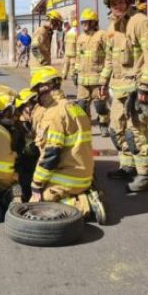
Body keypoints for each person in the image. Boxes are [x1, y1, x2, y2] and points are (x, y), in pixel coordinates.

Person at [101, 0, 148, 192]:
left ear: (127, 0)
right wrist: (103, 81)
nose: (117, 5)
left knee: (136, 132)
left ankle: (145, 176)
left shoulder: (140, 22)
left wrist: (144, 87)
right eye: (113, 3)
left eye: (120, 1)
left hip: (135, 87)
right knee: (116, 129)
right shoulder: (112, 26)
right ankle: (127, 166)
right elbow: (109, 58)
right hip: (118, 88)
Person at [28, 66, 106, 223]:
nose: (37, 97)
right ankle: (86, 193)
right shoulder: (74, 107)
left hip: (70, 177)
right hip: (85, 172)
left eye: (37, 91)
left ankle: (83, 204)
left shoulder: (54, 113)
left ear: (45, 88)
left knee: (41, 200)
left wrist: (36, 184)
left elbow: (51, 154)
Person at [74, 8, 110, 137]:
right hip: (83, 80)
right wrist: (75, 71)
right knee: (82, 106)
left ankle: (104, 125)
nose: (83, 25)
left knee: (100, 106)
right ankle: (85, 129)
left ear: (94, 23)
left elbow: (109, 57)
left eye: (86, 22)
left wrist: (106, 77)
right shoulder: (80, 38)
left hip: (98, 79)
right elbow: (78, 56)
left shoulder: (102, 35)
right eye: (82, 22)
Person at [61, 20, 79, 89]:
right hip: (73, 53)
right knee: (73, 68)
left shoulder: (68, 33)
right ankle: (75, 82)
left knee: (65, 65)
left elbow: (64, 42)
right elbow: (78, 43)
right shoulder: (76, 33)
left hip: (67, 53)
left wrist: (63, 50)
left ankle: (63, 77)